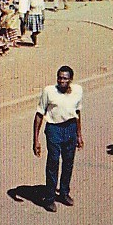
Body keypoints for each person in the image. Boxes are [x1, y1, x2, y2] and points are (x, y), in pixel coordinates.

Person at [33, 65, 84, 212]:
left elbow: (78, 113)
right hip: (54, 129)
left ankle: (64, 193)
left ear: (71, 80)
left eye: (65, 78)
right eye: (60, 78)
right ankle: (49, 198)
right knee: (53, 162)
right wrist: (35, 139)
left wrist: (79, 135)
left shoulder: (78, 91)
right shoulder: (48, 91)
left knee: (68, 162)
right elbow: (39, 115)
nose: (62, 81)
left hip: (70, 128)